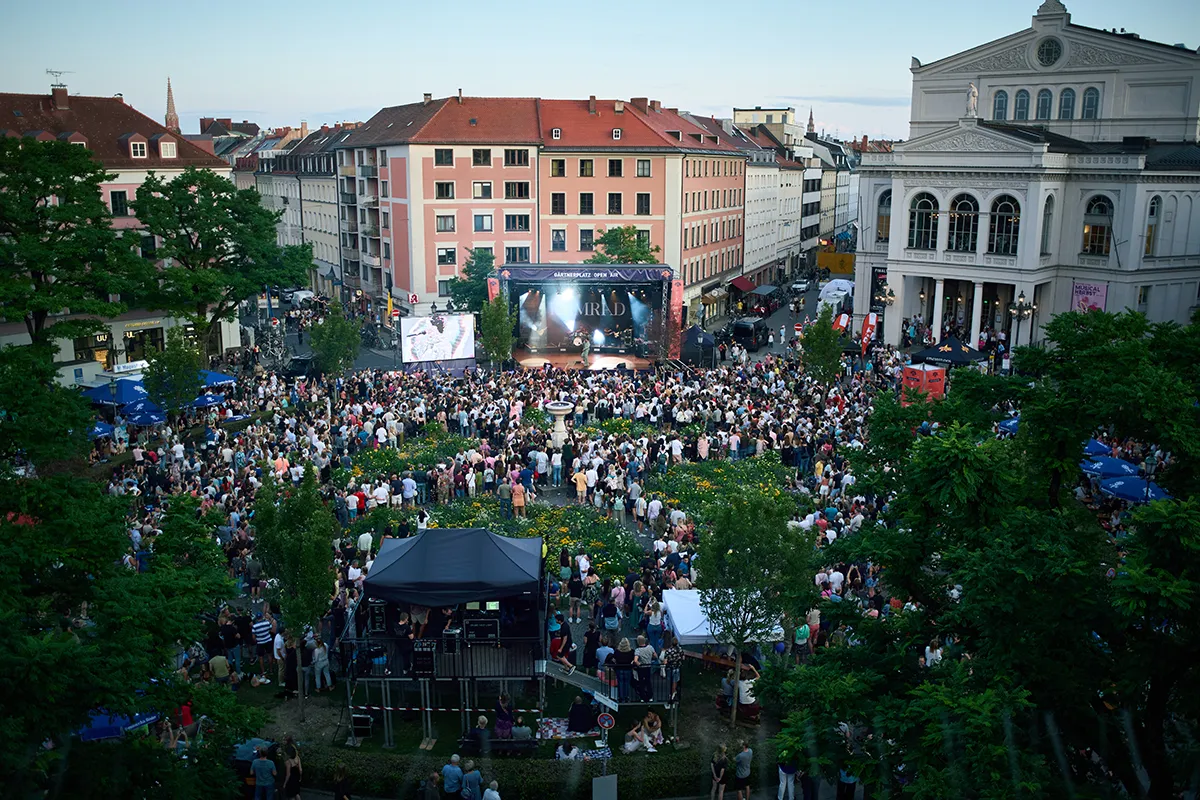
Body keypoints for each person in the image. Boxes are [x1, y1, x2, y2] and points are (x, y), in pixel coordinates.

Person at [282, 736, 303, 800]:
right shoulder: (297, 758)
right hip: (296, 778)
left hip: (290, 780)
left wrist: (284, 784)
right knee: (297, 793)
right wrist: (300, 777)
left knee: (291, 796)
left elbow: (288, 774)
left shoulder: (288, 761)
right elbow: (300, 770)